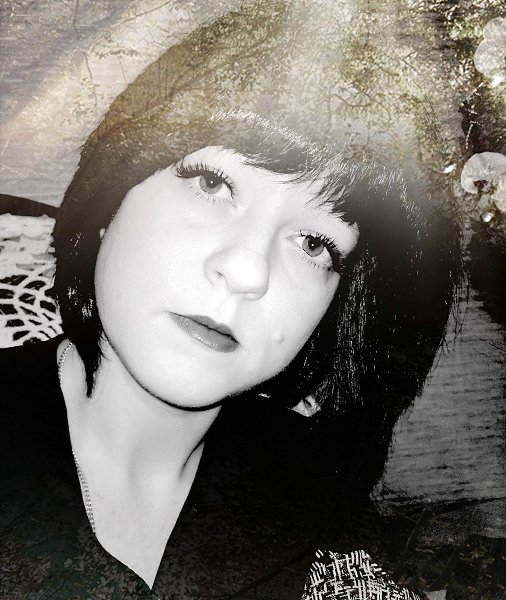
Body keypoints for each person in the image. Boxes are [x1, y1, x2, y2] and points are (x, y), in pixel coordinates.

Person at [1, 1, 463, 598]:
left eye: (314, 244)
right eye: (213, 183)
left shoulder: (324, 517)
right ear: (112, 193)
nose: (248, 271)